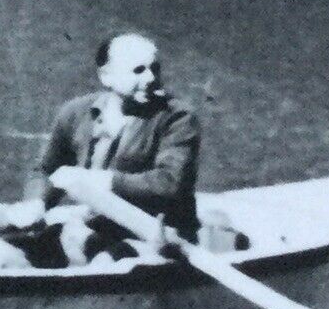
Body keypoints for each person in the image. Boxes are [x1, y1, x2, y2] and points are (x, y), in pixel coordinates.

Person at [17, 33, 201, 265]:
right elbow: (44, 170)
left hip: (157, 234)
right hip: (97, 227)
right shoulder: (75, 113)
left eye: (154, 68)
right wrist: (37, 202)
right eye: (139, 71)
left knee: (105, 263)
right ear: (106, 76)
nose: (151, 78)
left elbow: (169, 183)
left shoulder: (177, 117)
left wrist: (99, 181)